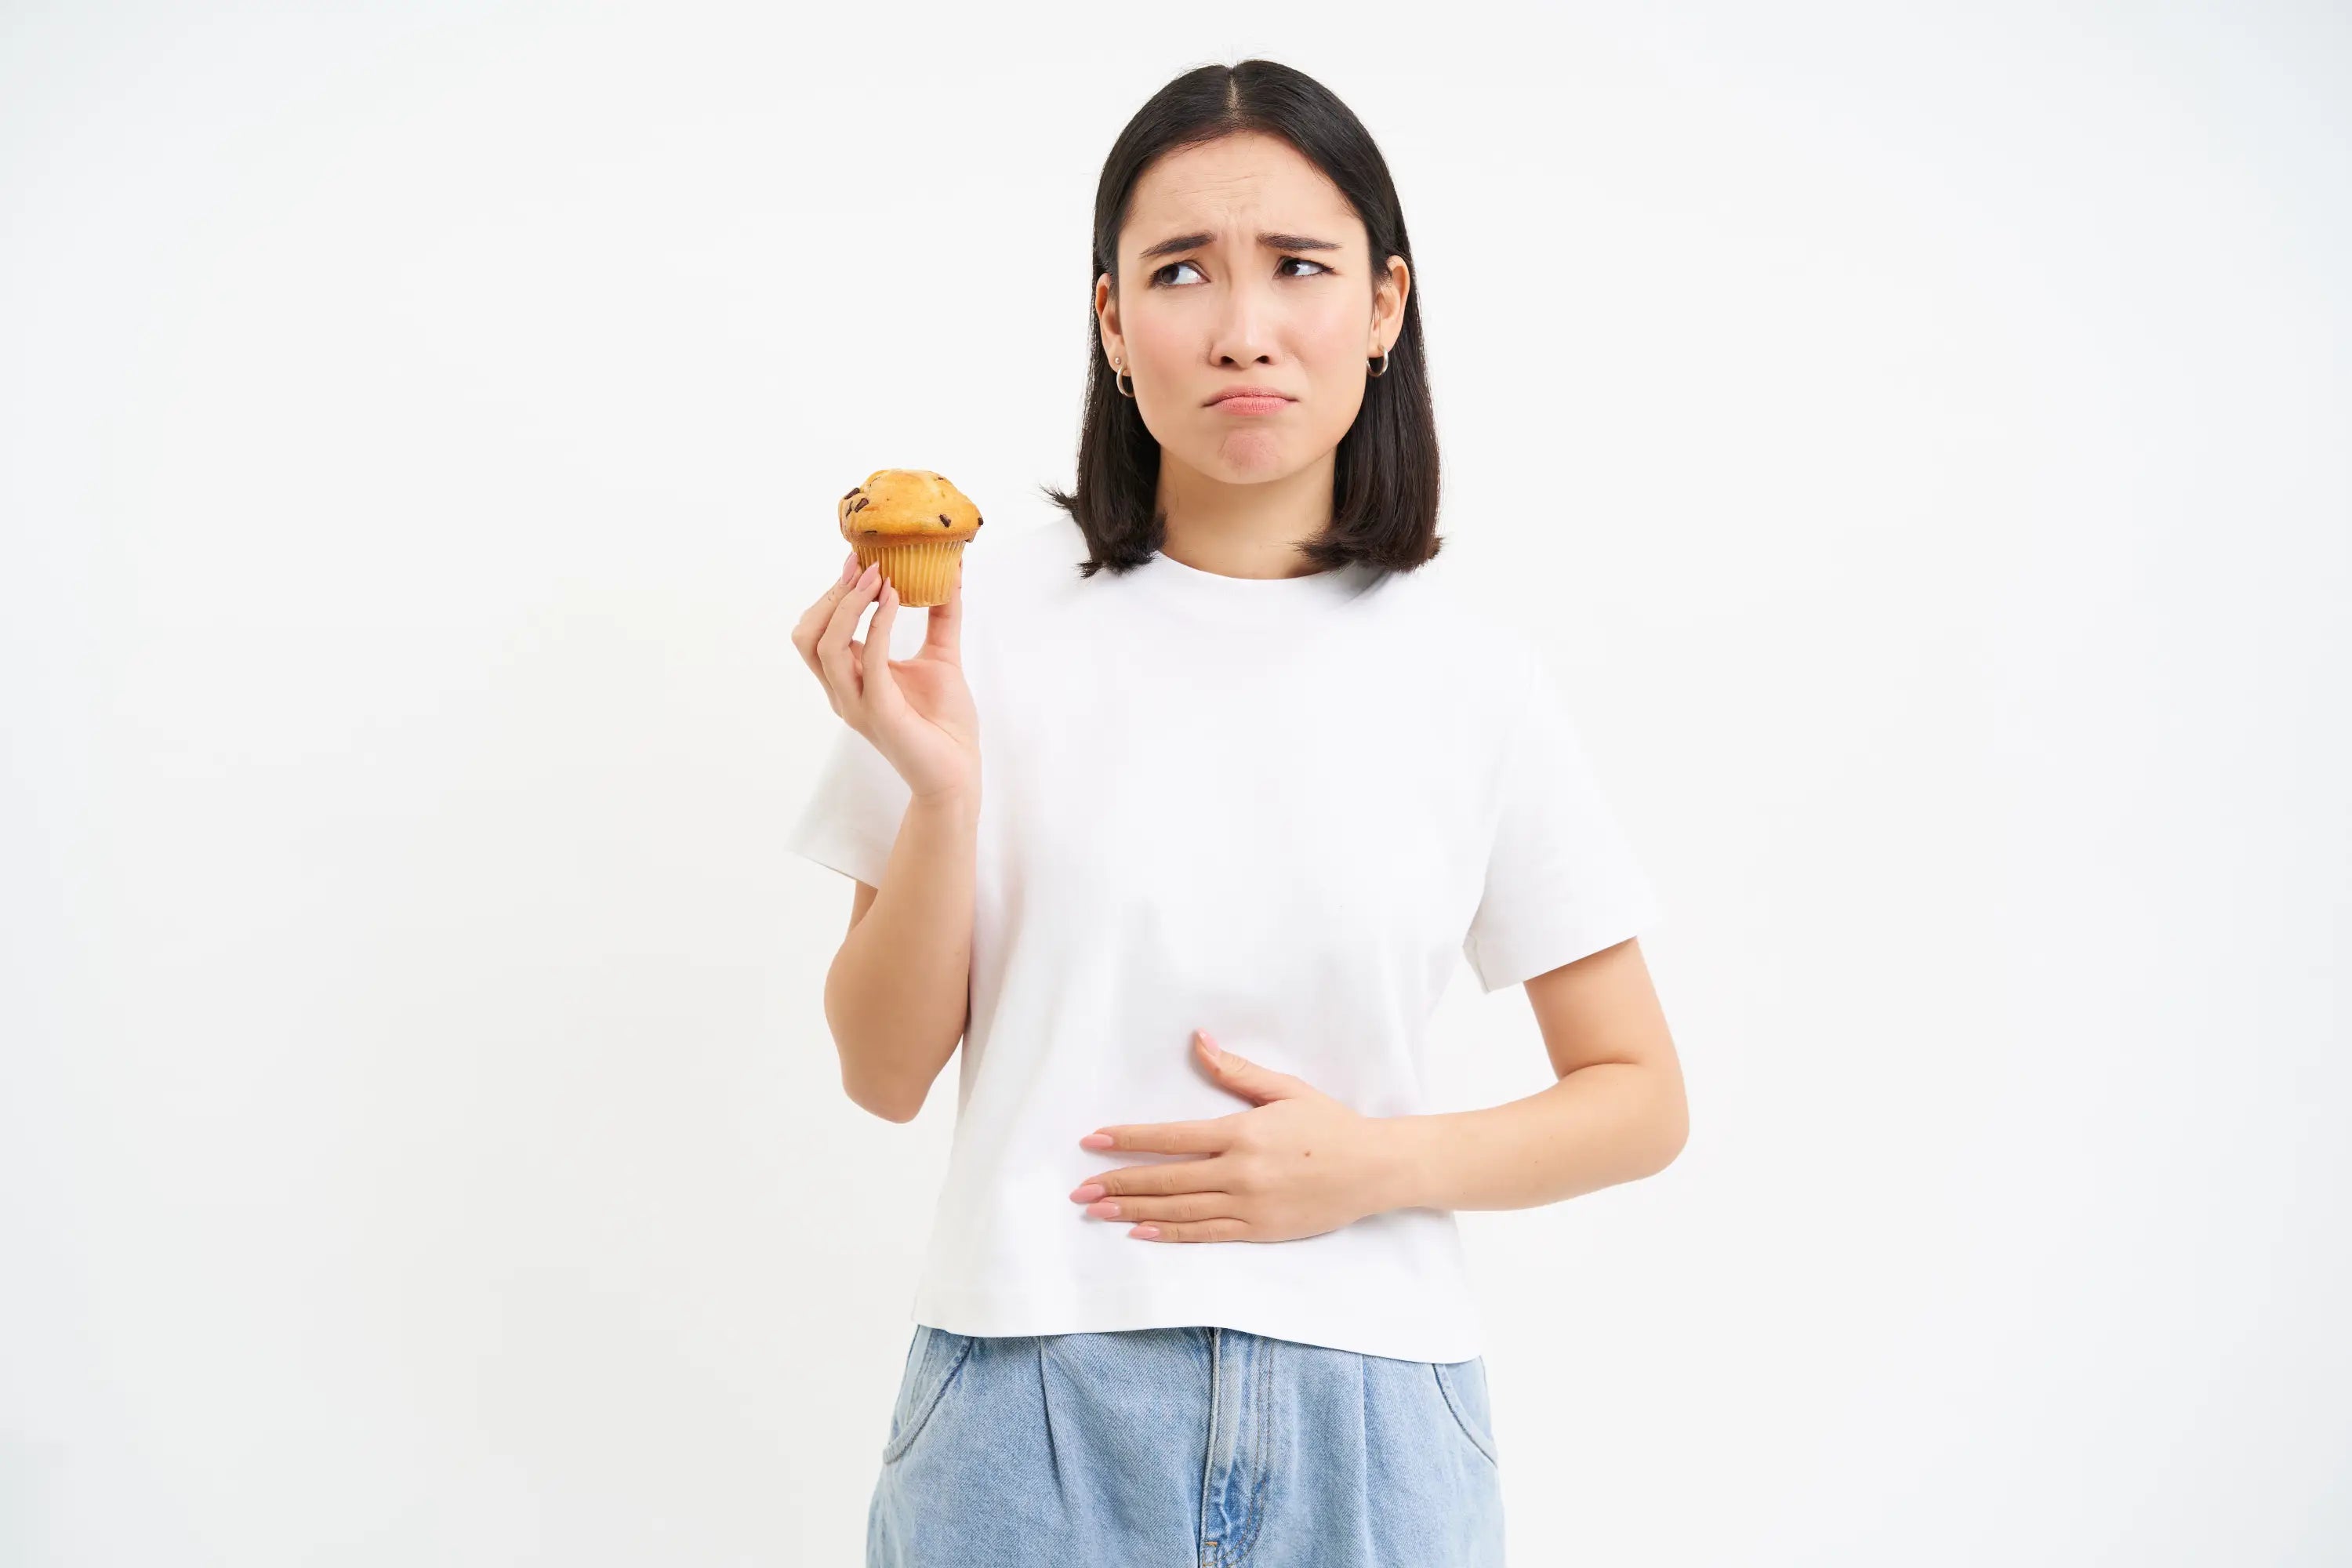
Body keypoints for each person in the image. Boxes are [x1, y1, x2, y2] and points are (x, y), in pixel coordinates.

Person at [787, 58, 1686, 1568]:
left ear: (1386, 308)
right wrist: (943, 798)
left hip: (1376, 1425)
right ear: (1114, 324)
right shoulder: (974, 638)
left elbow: (1641, 1094)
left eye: (1300, 268)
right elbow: (883, 1073)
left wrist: (1375, 1164)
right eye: (1183, 271)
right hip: (1027, 1406)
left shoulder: (1475, 679)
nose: (1244, 327)